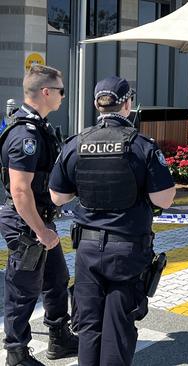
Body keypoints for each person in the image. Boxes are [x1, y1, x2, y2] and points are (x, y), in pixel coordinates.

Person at [48, 76, 176, 366]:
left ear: (96, 104)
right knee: (118, 326)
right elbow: (164, 199)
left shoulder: (75, 143)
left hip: (88, 250)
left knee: (89, 325)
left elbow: (57, 196)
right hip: (128, 251)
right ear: (127, 104)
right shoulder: (142, 145)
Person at [0, 64, 78, 366]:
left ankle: (59, 338)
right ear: (46, 92)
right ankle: (16, 354)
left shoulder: (39, 128)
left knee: (56, 279)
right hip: (26, 222)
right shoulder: (25, 135)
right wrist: (41, 231)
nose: (63, 96)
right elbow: (20, 191)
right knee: (23, 289)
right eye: (60, 91)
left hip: (39, 219)